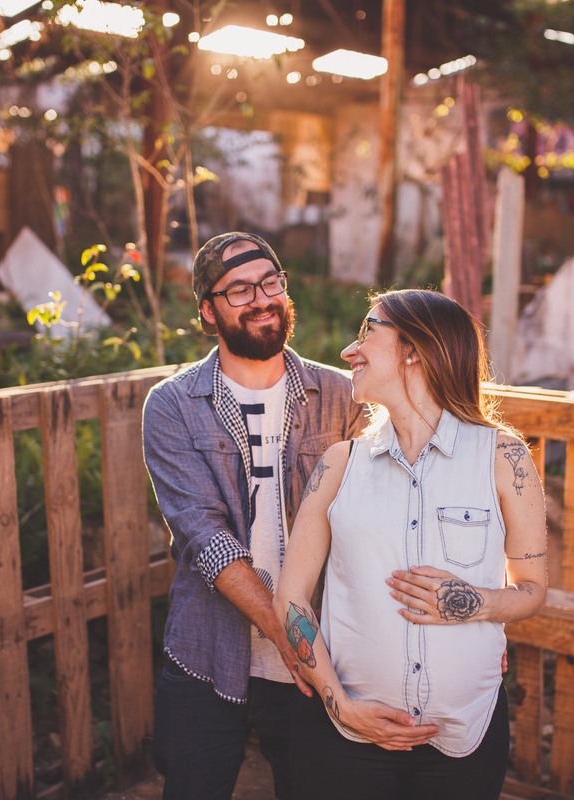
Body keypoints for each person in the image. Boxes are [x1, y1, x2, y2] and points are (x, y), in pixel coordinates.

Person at [274, 289, 548, 800]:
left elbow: (532, 590)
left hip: (464, 738)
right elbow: (290, 598)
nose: (348, 352)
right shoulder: (339, 464)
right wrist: (341, 705)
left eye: (367, 332)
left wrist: (476, 602)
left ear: (415, 349)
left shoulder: (504, 458)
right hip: (342, 741)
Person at [143, 232, 367, 800]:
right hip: (207, 652)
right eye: (239, 289)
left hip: (324, 655)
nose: (262, 298)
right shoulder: (172, 406)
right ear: (207, 311)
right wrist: (288, 637)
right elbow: (205, 538)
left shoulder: (342, 396)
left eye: (271, 282)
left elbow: (382, 518)